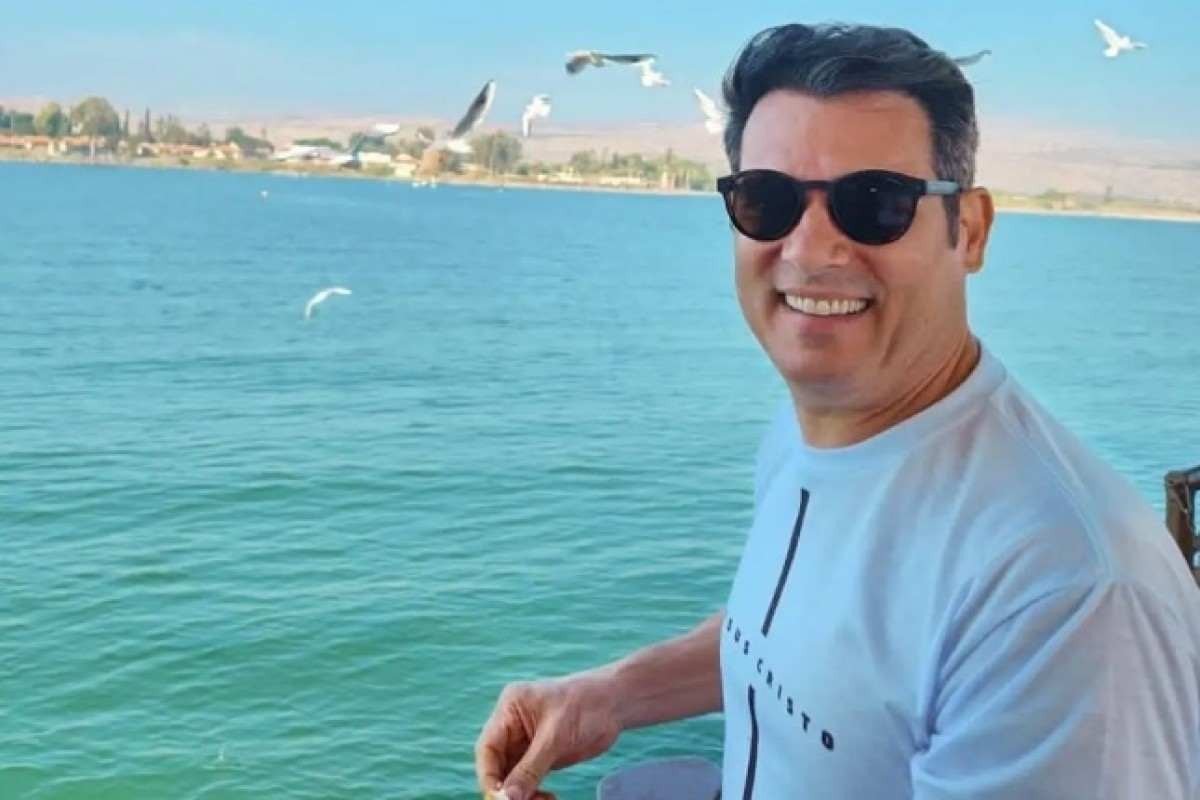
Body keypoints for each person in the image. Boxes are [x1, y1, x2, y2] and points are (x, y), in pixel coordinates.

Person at [475, 22, 1200, 800]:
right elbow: (824, 643)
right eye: (767, 200)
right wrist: (612, 695)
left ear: (970, 231)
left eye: (874, 203)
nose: (810, 250)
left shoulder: (1061, 593)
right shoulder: (807, 433)